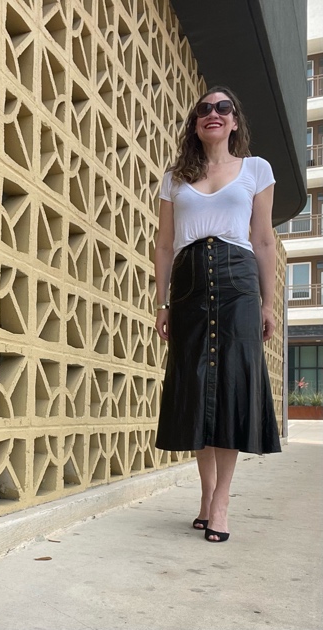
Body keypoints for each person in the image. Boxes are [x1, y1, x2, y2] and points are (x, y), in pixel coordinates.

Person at [154, 86, 282, 543]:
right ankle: (206, 496)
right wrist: (162, 301)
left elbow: (264, 242)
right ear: (195, 123)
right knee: (196, 390)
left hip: (237, 283)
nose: (213, 113)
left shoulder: (256, 169)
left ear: (233, 121)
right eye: (204, 109)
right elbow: (165, 244)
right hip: (189, 285)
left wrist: (268, 304)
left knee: (228, 390)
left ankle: (222, 503)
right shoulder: (174, 178)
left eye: (223, 107)